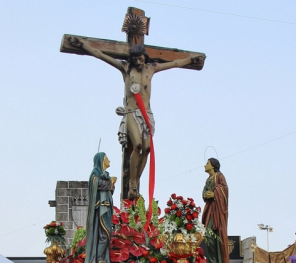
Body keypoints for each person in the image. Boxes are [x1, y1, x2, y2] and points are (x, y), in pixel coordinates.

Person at [67, 37, 204, 199]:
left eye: (141, 58)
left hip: (146, 114)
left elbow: (174, 64)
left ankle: (136, 179)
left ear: (145, 57)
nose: (139, 62)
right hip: (131, 112)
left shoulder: (151, 69)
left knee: (147, 149)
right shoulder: (126, 68)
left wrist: (190, 60)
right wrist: (82, 45)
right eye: (136, 59)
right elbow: (101, 55)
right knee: (137, 145)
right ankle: (132, 182)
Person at [202, 157, 230, 263]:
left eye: (207, 163)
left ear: (213, 165)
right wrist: (206, 194)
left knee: (215, 233)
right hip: (210, 208)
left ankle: (217, 262)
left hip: (217, 209)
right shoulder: (208, 179)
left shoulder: (219, 176)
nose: (205, 165)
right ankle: (211, 261)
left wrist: (214, 194)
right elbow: (204, 191)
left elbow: (224, 189)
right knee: (208, 234)